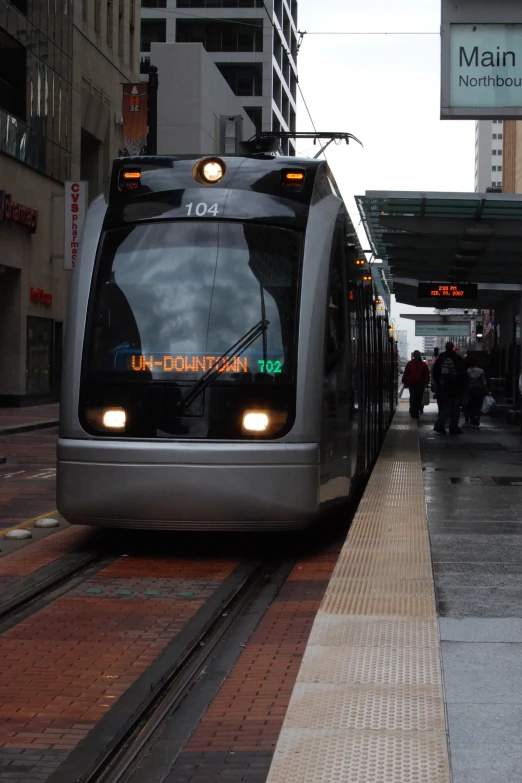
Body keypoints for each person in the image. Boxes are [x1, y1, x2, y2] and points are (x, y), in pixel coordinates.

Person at [432, 342, 467, 434]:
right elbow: (462, 373)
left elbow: (435, 372)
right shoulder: (456, 358)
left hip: (444, 388)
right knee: (455, 409)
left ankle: (441, 425)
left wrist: (438, 385)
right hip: (454, 387)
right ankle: (451, 427)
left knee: (445, 408)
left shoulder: (441, 358)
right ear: (452, 348)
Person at [402, 350, 430, 419]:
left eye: (418, 354)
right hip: (412, 384)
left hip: (420, 384)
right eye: (416, 354)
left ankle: (415, 411)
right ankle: (413, 410)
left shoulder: (423, 365)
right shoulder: (410, 364)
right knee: (413, 397)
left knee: (418, 398)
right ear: (414, 356)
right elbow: (406, 373)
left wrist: (426, 382)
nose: (417, 356)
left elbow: (426, 374)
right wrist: (405, 382)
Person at [466, 358, 488, 428]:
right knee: (478, 405)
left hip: (470, 390)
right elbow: (483, 382)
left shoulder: (468, 370)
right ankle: (477, 419)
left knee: (471, 405)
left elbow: (466, 381)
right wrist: (486, 391)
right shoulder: (481, 371)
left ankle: (472, 419)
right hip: (479, 390)